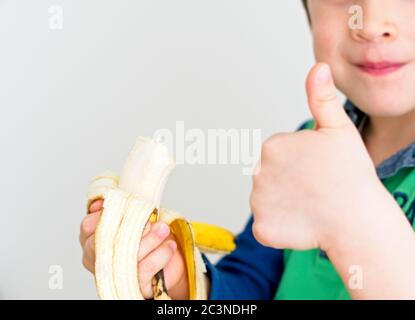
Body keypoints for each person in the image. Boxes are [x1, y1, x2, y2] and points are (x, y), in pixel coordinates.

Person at [79, 0, 415, 299]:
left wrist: (354, 223)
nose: (370, 24)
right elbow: (251, 286)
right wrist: (180, 282)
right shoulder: (307, 151)